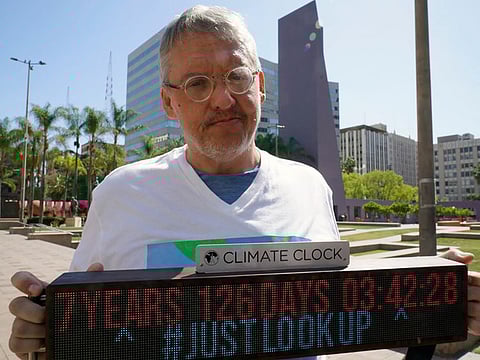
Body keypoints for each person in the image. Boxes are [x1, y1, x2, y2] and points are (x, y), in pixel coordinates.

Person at [8, 5, 480, 360]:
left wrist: (442, 308)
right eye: (196, 83)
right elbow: (79, 330)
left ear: (260, 85)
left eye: (236, 77)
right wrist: (46, 336)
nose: (222, 99)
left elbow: (341, 315)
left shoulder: (310, 188)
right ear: (169, 103)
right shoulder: (120, 193)